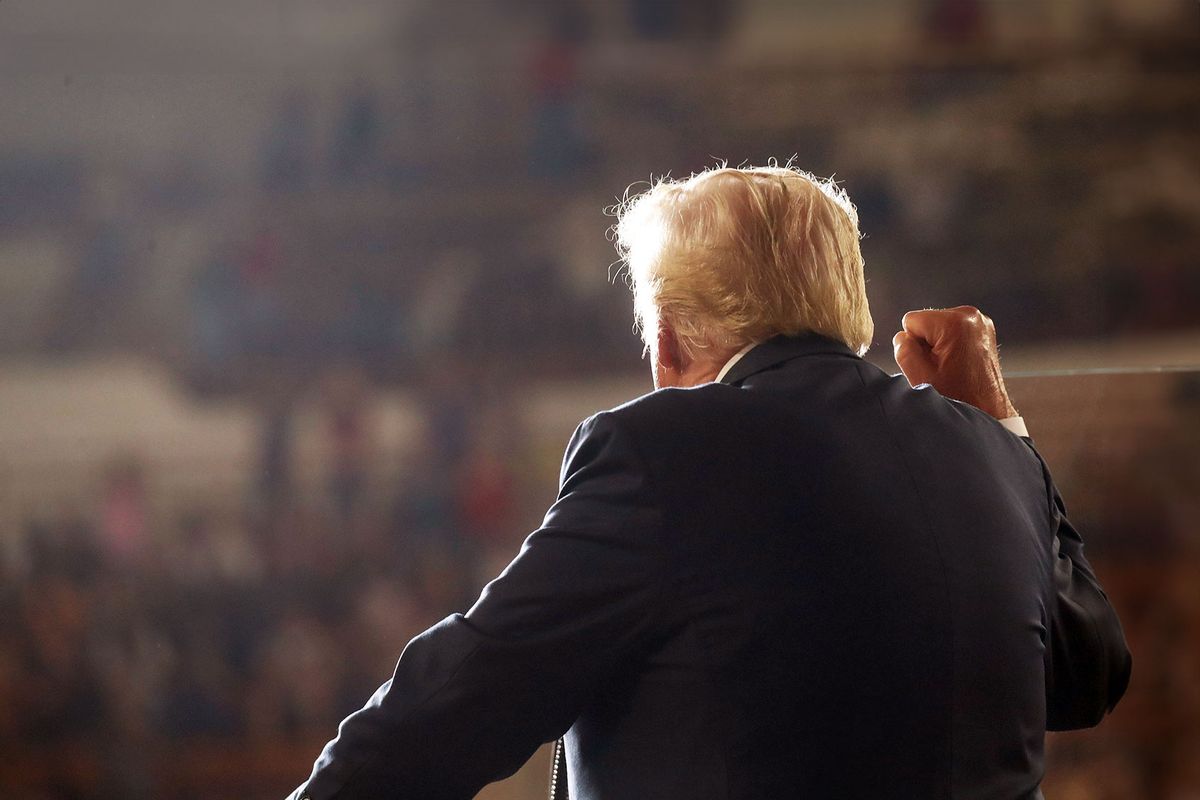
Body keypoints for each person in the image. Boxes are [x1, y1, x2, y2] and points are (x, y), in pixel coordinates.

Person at [286, 165, 1130, 799]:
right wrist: (1001, 426)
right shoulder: (989, 449)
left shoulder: (660, 452)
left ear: (667, 346)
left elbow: (464, 697)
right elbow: (1088, 673)